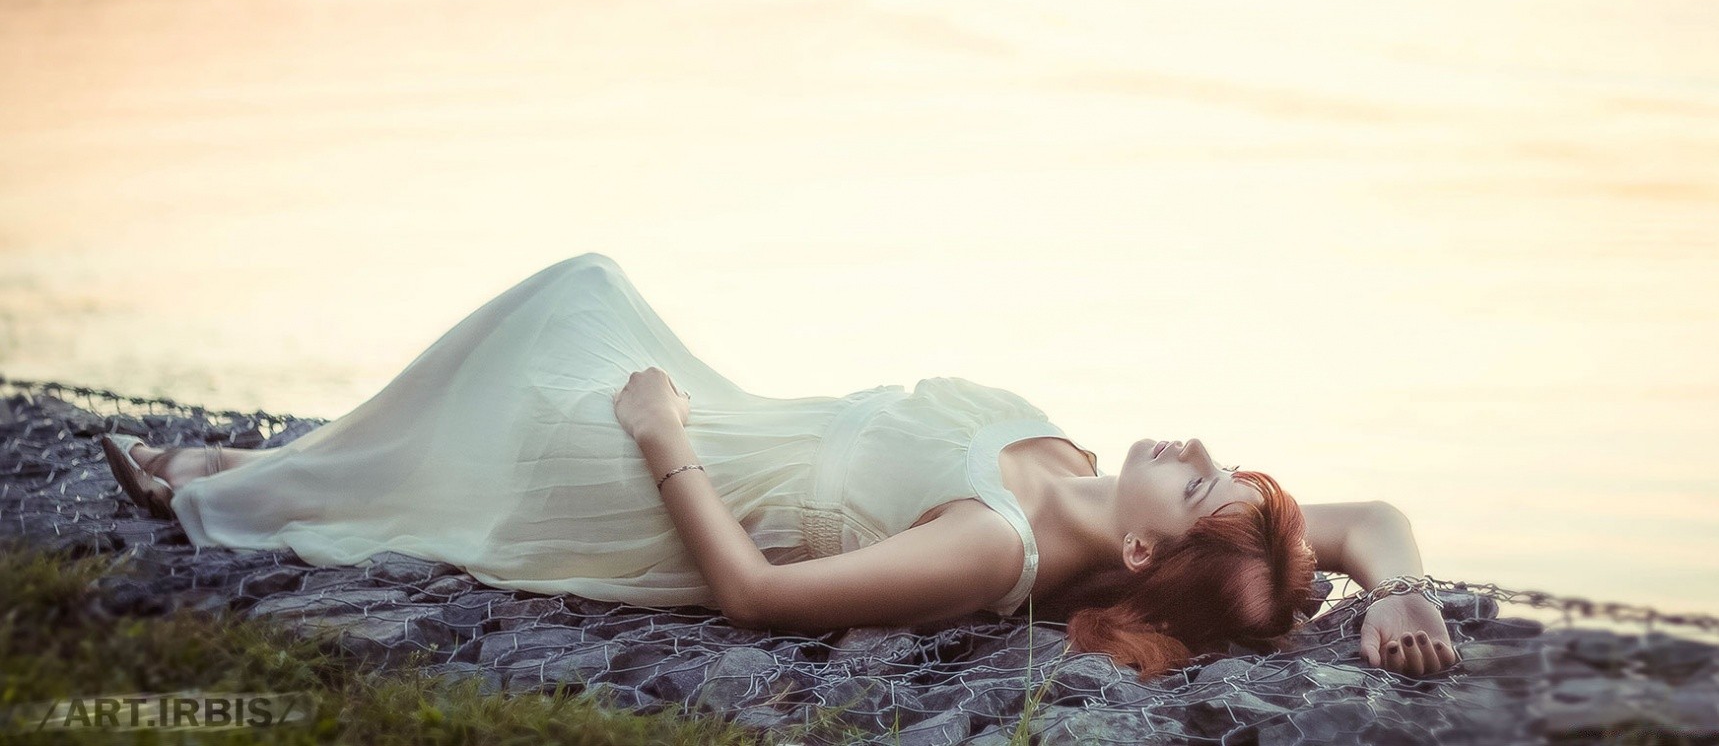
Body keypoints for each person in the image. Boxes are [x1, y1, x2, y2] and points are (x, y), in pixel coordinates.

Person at [101, 253, 1458, 678]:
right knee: (572, 297)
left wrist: (662, 440)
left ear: (1150, 554)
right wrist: (1405, 592)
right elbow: (1371, 519)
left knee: (561, 318)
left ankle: (222, 489)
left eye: (1199, 485)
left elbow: (749, 600)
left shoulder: (997, 544)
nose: (1200, 453)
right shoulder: (1096, 484)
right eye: (1223, 469)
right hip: (731, 416)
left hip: (664, 476)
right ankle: (273, 462)